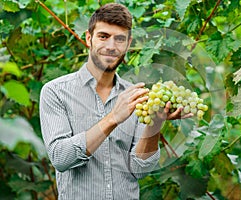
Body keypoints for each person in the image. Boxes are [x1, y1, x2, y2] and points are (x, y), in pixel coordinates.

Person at [39, 3, 192, 199]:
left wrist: (155, 123)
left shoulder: (136, 95)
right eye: (103, 36)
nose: (111, 46)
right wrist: (113, 118)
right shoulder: (56, 92)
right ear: (88, 38)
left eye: (119, 39)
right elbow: (60, 158)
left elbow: (140, 169)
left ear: (128, 44)